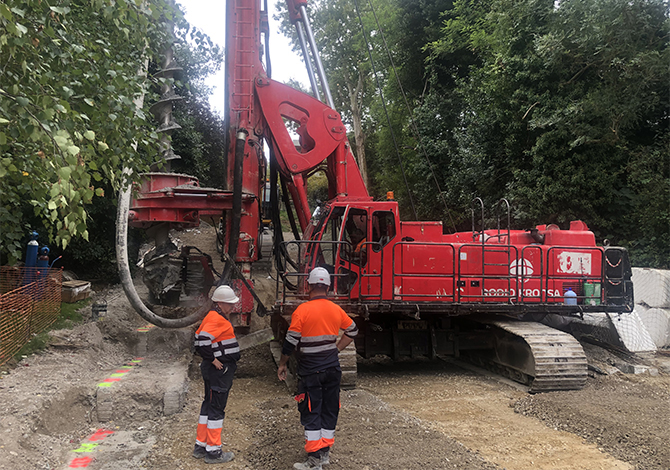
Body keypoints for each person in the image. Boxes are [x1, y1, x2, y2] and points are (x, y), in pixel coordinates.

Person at [277, 267, 359, 470]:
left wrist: (282, 363)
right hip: (332, 368)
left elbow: (290, 342)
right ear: (329, 287)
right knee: (329, 409)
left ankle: (313, 461)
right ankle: (324, 455)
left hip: (311, 370)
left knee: (311, 409)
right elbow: (353, 330)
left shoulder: (302, 311)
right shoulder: (336, 309)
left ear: (309, 285)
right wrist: (336, 349)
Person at [192, 285, 241, 464]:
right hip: (219, 371)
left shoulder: (213, 316)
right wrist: (213, 360)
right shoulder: (216, 318)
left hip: (214, 370)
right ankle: (213, 452)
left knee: (209, 405)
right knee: (216, 408)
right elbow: (202, 341)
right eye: (229, 304)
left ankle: (201, 446)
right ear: (220, 303)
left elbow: (200, 337)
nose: (232, 307)